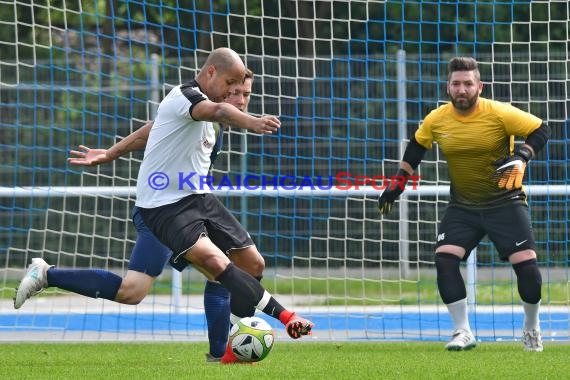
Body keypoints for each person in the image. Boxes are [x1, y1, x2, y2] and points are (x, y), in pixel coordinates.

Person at [15, 48, 313, 363]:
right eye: (231, 87)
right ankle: (48, 274)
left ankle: (224, 348)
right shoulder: (188, 97)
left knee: (249, 266)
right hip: (161, 210)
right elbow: (219, 112)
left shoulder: (205, 119)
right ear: (211, 73)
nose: (237, 98)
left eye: (244, 93)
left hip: (196, 203)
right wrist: (252, 122)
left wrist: (110, 153)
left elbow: (154, 128)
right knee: (142, 289)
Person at [378, 56, 550, 352]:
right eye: (456, 84)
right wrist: (399, 180)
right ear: (448, 87)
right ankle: (463, 332)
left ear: (479, 86)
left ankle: (531, 327)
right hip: (463, 206)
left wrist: (522, 156)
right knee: (444, 260)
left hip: (506, 202)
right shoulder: (437, 118)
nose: (462, 89)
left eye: (468, 84)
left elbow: (542, 129)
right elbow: (418, 145)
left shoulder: (499, 113)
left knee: (528, 269)